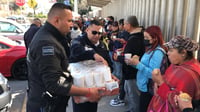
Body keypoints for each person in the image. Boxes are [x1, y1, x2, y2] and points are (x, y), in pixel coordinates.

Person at [26, 3, 103, 112]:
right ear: (57, 20)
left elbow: (63, 69)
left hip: (52, 104)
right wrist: (88, 92)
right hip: (46, 107)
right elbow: (55, 83)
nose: (72, 25)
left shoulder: (54, 37)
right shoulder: (46, 43)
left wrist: (76, 91)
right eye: (69, 21)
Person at [69, 19, 119, 112]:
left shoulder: (102, 45)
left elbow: (109, 64)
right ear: (87, 30)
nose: (97, 35)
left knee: (92, 108)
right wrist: (93, 54)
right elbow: (76, 50)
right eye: (94, 32)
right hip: (80, 88)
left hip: (96, 87)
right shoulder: (79, 41)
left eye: (99, 33)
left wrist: (109, 74)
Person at [147, 35, 200, 112]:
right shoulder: (177, 64)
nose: (167, 53)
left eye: (171, 50)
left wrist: (160, 83)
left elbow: (178, 103)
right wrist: (159, 81)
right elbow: (168, 80)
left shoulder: (188, 75)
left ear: (183, 53)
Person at [127, 26, 167, 112]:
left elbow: (153, 74)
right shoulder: (150, 49)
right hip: (143, 87)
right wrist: (133, 63)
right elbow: (143, 66)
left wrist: (138, 64)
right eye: (144, 37)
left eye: (146, 38)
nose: (144, 40)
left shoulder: (157, 52)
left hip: (149, 89)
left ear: (155, 38)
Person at [113, 15, 145, 112]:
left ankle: (134, 110)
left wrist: (118, 57)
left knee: (133, 95)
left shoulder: (134, 38)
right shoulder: (137, 36)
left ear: (129, 25)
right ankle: (132, 109)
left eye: (125, 24)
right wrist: (124, 49)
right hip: (132, 72)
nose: (123, 26)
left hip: (132, 73)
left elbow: (129, 58)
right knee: (130, 93)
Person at [110, 18, 129, 107]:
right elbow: (125, 45)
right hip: (119, 56)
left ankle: (118, 89)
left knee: (119, 73)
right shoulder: (123, 34)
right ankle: (120, 92)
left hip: (124, 60)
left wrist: (118, 41)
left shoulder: (126, 34)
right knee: (119, 72)